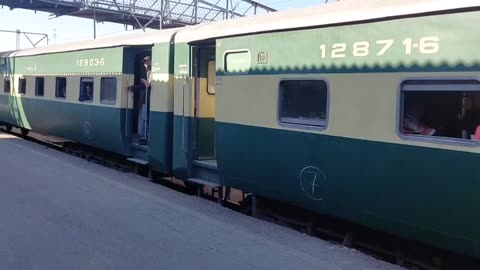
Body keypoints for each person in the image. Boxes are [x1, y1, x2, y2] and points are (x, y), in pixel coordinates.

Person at [131, 56, 152, 145]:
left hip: (150, 100)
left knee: (147, 118)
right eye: (145, 63)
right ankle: (144, 137)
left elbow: (149, 85)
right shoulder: (147, 72)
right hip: (146, 99)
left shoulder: (152, 72)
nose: (146, 64)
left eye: (147, 62)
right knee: (145, 118)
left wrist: (144, 83)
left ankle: (146, 138)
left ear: (151, 62)